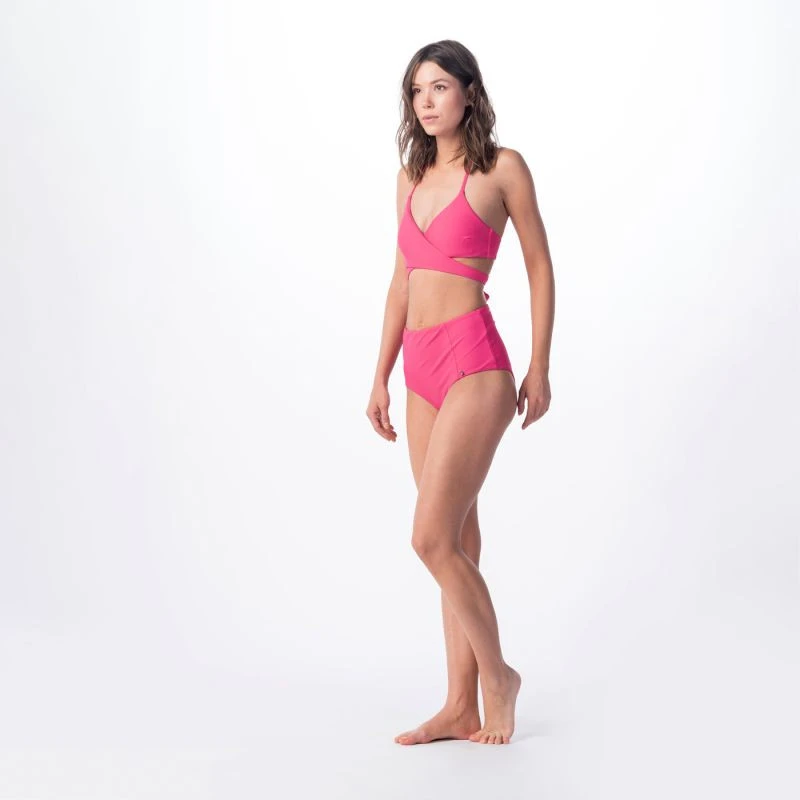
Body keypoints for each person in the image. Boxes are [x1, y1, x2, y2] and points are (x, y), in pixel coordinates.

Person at [366, 40, 555, 746]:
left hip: (475, 362)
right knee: (457, 540)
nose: (427, 100)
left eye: (440, 86)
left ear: (469, 93)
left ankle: (498, 677)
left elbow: (539, 265)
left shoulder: (502, 168)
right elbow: (400, 283)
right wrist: (380, 374)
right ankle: (459, 705)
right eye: (417, 90)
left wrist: (539, 366)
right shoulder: (410, 177)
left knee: (430, 538)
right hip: (419, 371)